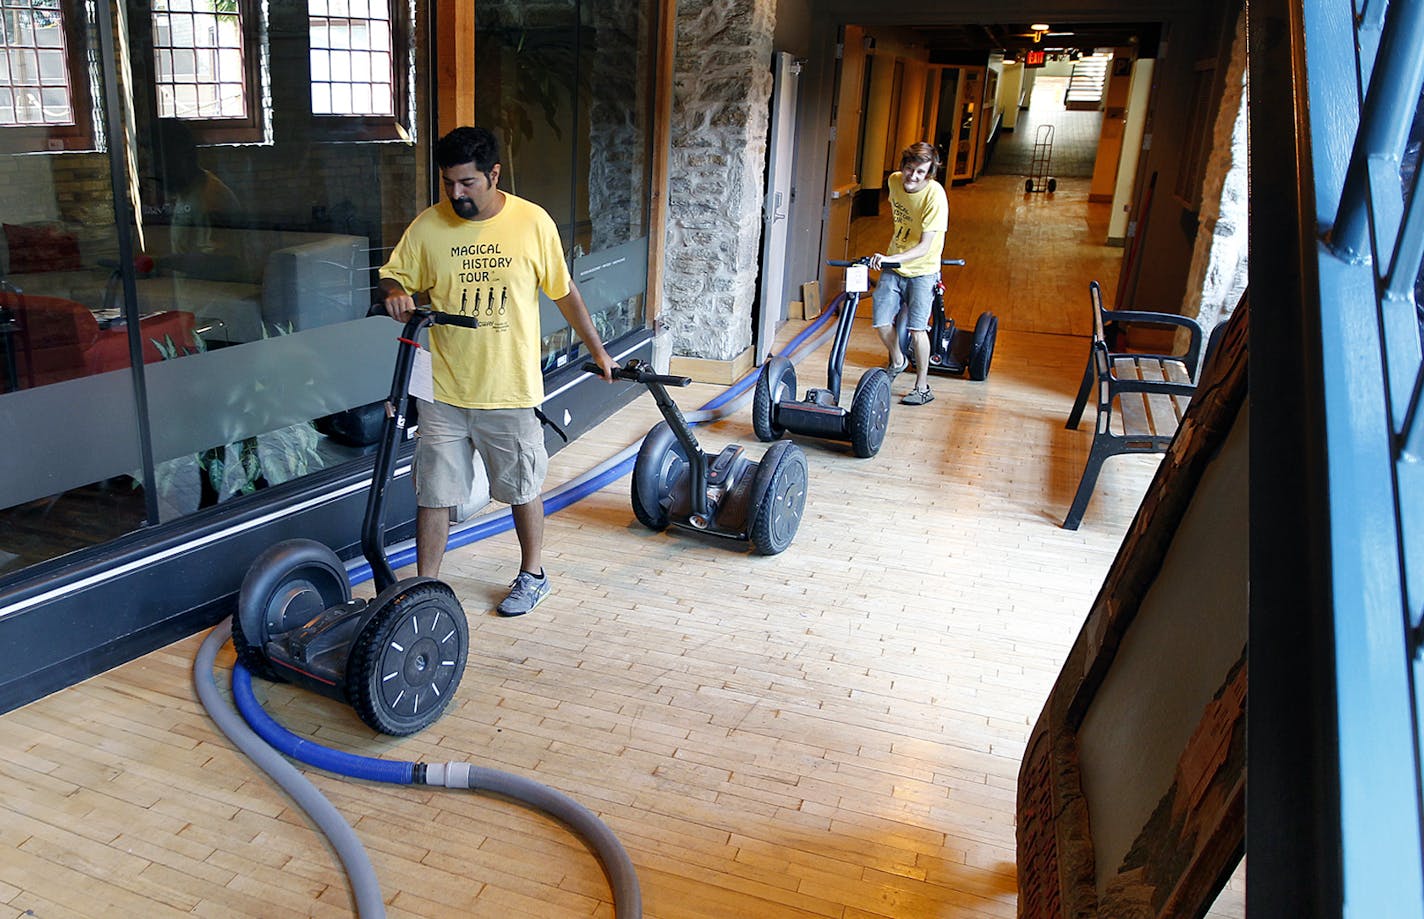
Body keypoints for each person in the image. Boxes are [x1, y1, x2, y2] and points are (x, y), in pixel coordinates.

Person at [380, 126, 617, 616]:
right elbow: (395, 274)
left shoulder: (532, 223)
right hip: (444, 387)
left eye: (467, 183)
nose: (456, 194)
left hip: (508, 388)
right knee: (434, 493)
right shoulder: (429, 225)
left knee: (521, 487)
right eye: (448, 183)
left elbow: (564, 291)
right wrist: (394, 294)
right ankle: (427, 590)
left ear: (493, 173)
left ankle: (533, 574)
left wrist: (598, 351)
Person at [868, 142, 950, 406]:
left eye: (920, 172)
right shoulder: (894, 182)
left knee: (917, 330)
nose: (913, 176)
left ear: (929, 173)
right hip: (895, 264)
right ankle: (898, 360)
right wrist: (891, 259)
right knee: (880, 321)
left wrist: (890, 258)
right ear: (902, 166)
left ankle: (922, 386)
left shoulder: (935, 196)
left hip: (923, 270)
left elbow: (925, 246)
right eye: (909, 169)